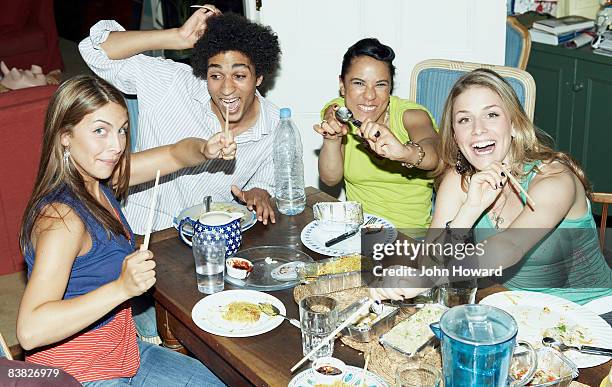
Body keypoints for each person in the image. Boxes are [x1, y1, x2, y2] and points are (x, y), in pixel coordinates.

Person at [17, 75, 231, 385]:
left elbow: (173, 155)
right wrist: (121, 288)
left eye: (122, 131)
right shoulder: (62, 219)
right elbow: (30, 330)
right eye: (100, 131)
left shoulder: (99, 181)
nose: (116, 146)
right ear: (65, 136)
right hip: (78, 375)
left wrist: (205, 148)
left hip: (125, 354)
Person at [370, 68, 612, 305]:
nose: (478, 129)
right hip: (522, 310)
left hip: (593, 312)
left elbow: (510, 247)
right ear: (455, 136)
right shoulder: (459, 181)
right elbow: (428, 262)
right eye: (464, 119)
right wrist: (469, 210)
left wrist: (425, 279)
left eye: (492, 115)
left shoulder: (555, 180)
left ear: (515, 125)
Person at [79, 8, 282, 233]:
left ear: (259, 77)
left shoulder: (274, 125)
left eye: (239, 76)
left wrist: (259, 192)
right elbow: (93, 49)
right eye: (215, 75)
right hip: (142, 230)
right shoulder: (172, 82)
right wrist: (176, 37)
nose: (226, 88)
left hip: (212, 235)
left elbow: (267, 180)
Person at [313, 38, 439, 232]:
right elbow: (330, 179)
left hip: (411, 238)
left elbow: (435, 154)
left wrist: (405, 152)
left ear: (390, 88)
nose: (369, 96)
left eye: (380, 85)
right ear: (342, 85)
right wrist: (333, 138)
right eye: (359, 83)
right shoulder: (339, 114)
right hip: (360, 234)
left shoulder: (412, 115)